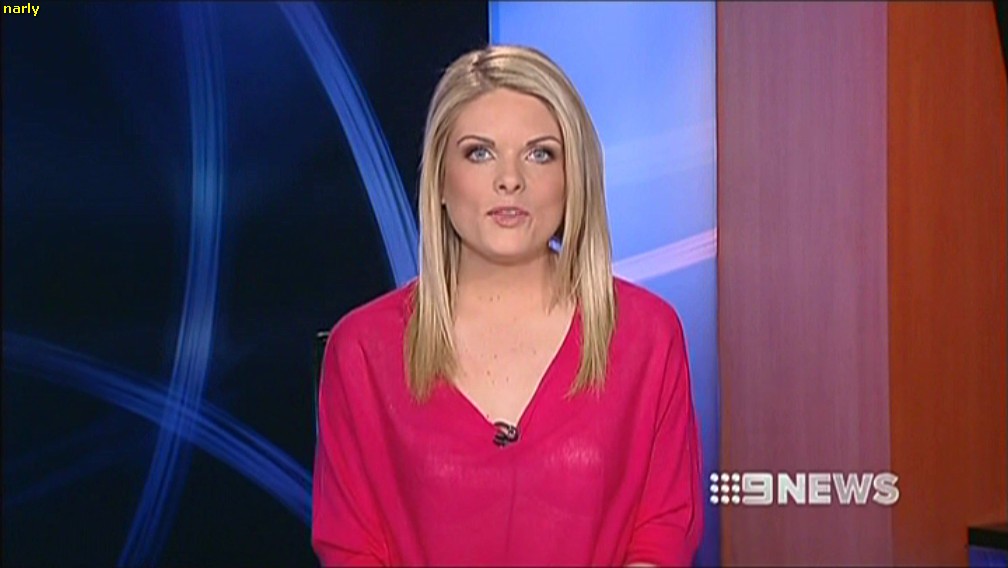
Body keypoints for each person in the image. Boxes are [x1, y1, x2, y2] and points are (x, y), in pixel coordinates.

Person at [312, 44, 703, 567]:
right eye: (480, 153)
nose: (510, 179)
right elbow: (354, 548)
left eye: (540, 154)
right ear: (440, 180)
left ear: (574, 178)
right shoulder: (363, 350)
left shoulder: (646, 335)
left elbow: (660, 534)